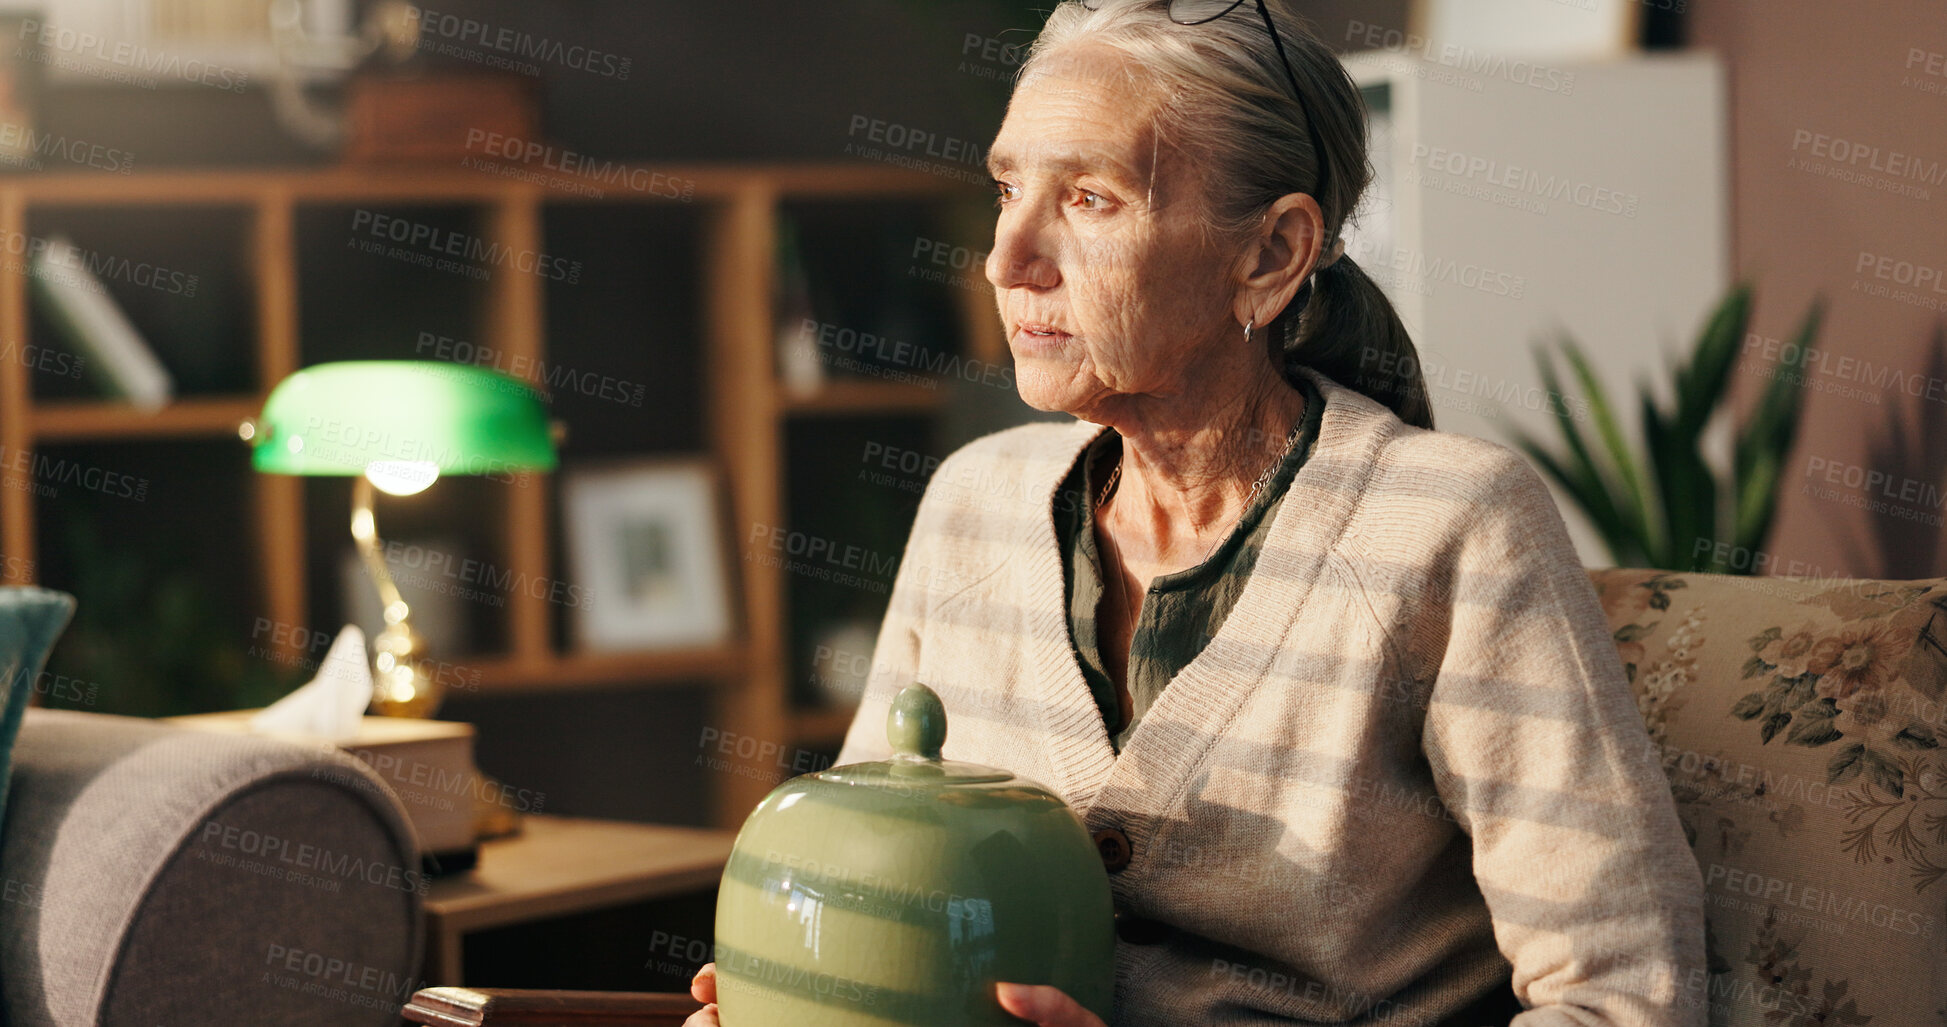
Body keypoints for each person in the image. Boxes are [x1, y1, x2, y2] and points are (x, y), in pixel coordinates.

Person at [688, 1, 1705, 1024]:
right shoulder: (975, 503)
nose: (1007, 259)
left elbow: (1623, 996)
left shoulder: (1454, 525)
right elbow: (869, 881)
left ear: (1269, 254)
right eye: (1007, 188)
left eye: (1089, 198)